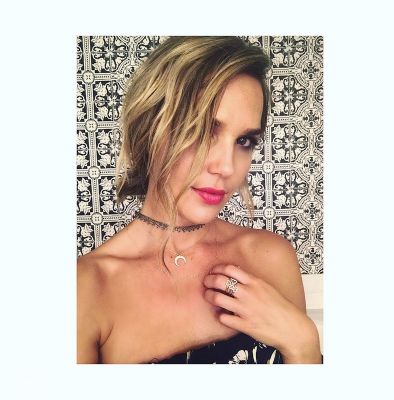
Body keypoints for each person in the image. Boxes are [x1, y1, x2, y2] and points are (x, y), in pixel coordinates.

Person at [77, 36, 322, 364]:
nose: (226, 167)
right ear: (149, 130)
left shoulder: (271, 257)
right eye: (204, 131)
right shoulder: (86, 289)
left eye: (244, 141)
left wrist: (304, 344)